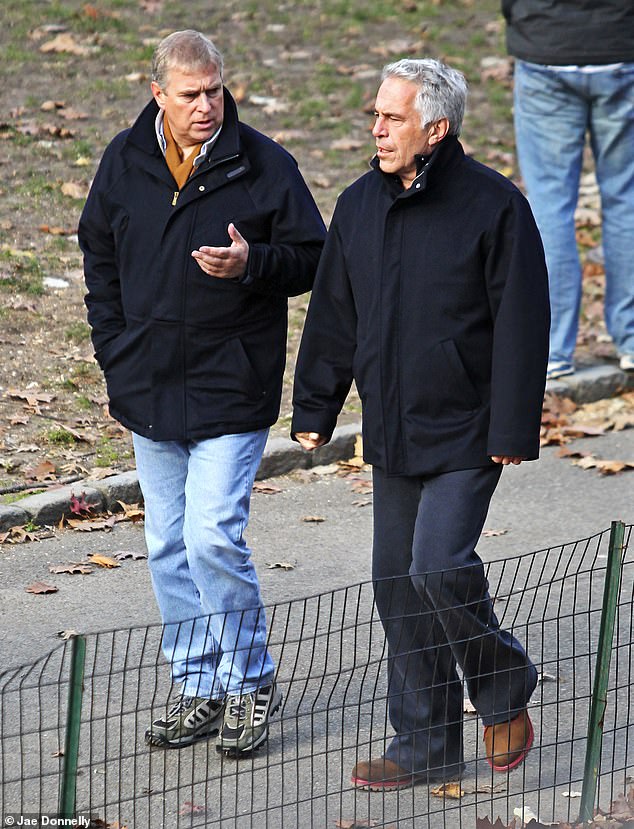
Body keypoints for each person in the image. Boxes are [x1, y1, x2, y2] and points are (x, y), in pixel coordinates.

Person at [291, 58, 550, 790]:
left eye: (393, 116)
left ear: (435, 128)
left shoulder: (495, 206)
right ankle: (427, 742)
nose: (376, 127)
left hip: (470, 427)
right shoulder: (358, 205)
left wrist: (512, 426)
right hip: (394, 430)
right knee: (395, 585)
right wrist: (316, 405)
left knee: (437, 564)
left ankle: (502, 684)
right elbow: (334, 314)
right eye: (376, 114)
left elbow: (523, 325)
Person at [79, 29, 326, 755]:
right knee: (165, 545)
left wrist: (255, 262)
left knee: (211, 535)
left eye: (216, 90)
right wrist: (114, 352)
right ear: (158, 93)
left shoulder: (264, 165)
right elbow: (98, 253)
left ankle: (249, 682)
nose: (208, 106)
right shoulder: (125, 162)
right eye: (191, 94)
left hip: (232, 385)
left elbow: (314, 256)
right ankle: (198, 684)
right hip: (147, 387)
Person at [503, 1, 634, 379]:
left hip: (546, 43)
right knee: (627, 199)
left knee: (548, 207)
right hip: (621, 44)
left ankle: (553, 348)